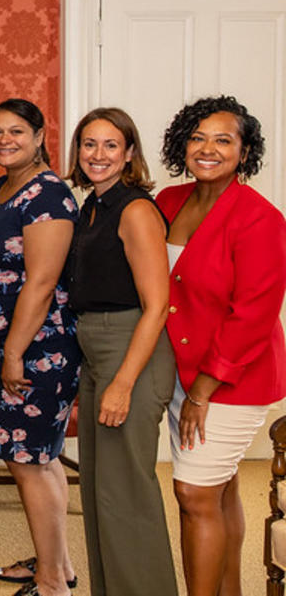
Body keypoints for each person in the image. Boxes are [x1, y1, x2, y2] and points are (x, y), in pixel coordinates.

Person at [156, 95, 286, 596]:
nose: (207, 149)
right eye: (197, 137)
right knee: (220, 489)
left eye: (223, 140)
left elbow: (253, 315)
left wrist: (202, 391)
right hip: (180, 372)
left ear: (245, 150)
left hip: (232, 379)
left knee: (193, 492)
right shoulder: (169, 202)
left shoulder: (260, 219)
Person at [65, 107, 177, 595]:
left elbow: (158, 306)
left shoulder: (135, 209)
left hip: (131, 349)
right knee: (98, 490)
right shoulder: (93, 205)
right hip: (96, 349)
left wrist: (123, 383)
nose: (98, 155)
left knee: (127, 494)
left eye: (111, 145)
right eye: (89, 144)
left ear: (129, 153)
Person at [0, 99, 80, 596]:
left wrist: (13, 352)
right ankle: (58, 561)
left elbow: (41, 282)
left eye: (17, 131)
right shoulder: (1, 187)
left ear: (40, 135)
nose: (4, 140)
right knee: (42, 458)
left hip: (39, 348)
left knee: (28, 462)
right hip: (11, 345)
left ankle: (52, 582)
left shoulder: (49, 195)